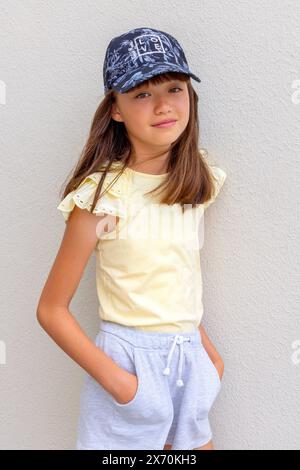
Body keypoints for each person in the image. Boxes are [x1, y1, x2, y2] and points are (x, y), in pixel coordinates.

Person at [36, 27, 227, 451]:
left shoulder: (198, 180)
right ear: (116, 109)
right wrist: (124, 386)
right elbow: (51, 310)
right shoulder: (103, 197)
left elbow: (176, 277)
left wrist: (210, 360)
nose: (163, 105)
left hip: (189, 362)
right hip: (130, 366)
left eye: (174, 88)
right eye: (141, 94)